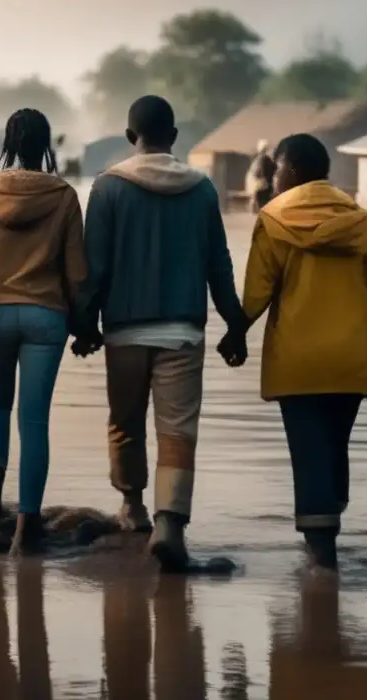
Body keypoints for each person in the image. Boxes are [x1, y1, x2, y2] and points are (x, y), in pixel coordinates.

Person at [218, 133, 367, 571]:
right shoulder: (359, 219)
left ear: (296, 171)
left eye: (278, 170)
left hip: (299, 360)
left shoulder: (274, 218)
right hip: (351, 358)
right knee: (333, 446)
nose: (273, 180)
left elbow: (258, 289)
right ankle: (328, 536)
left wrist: (237, 332)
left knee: (309, 452)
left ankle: (322, 559)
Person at [74, 95, 247, 572]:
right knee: (178, 432)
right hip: (183, 331)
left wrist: (84, 323)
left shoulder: (108, 189)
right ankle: (170, 524)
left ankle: (132, 507)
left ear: (132, 138)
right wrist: (235, 323)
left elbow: (94, 267)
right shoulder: (203, 189)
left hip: (124, 331)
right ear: (173, 137)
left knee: (125, 421)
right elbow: (219, 264)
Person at [0, 108, 89, 555]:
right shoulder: (63, 195)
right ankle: (28, 520)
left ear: (7, 142)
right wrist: (86, 325)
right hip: (46, 316)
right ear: (46, 144)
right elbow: (77, 271)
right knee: (34, 419)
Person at [246, 139, 276, 212]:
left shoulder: (257, 160)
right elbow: (267, 172)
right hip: (264, 187)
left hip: (260, 187)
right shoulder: (264, 159)